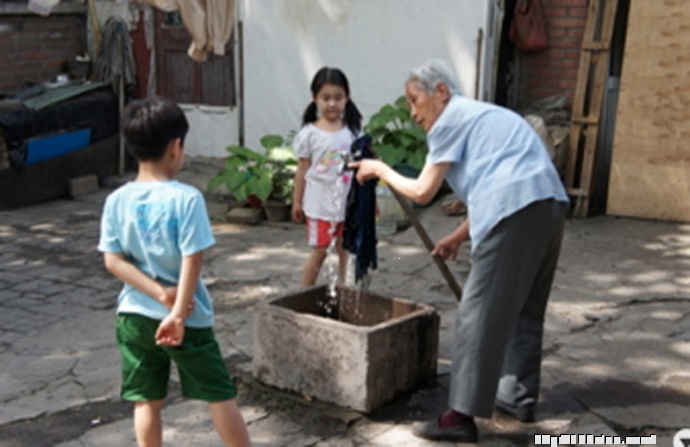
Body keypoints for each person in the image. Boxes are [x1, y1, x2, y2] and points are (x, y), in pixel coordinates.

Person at [352, 59, 569, 443]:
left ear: (441, 92)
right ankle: (518, 397)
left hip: (516, 207)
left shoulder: (451, 119)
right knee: (525, 308)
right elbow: (496, 181)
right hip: (547, 204)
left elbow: (422, 191)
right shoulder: (483, 116)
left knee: (476, 311)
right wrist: (457, 236)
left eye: (415, 100)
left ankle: (460, 417)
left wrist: (379, 169)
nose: (413, 112)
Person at [98, 98, 251, 447]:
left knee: (146, 400)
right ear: (175, 146)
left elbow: (114, 262)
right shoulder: (187, 198)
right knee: (219, 394)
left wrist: (158, 293)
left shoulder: (117, 200)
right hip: (187, 320)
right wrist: (178, 312)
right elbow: (191, 260)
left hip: (135, 316)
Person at [292, 66, 363, 287]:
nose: (332, 103)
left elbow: (362, 169)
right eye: (326, 98)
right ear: (315, 99)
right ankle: (304, 291)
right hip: (319, 205)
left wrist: (369, 202)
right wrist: (297, 201)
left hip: (347, 205)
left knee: (345, 249)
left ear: (347, 99)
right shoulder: (309, 134)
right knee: (321, 250)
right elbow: (302, 168)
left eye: (338, 98)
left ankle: (345, 290)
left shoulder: (353, 133)